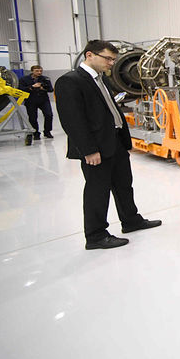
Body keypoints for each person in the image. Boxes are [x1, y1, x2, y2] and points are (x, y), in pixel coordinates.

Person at [55, 40, 161, 250]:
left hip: (114, 141)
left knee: (124, 184)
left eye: (113, 59)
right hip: (95, 147)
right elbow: (72, 120)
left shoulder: (101, 79)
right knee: (98, 191)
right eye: (108, 59)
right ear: (89, 55)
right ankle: (95, 235)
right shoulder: (70, 81)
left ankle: (131, 220)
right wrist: (88, 150)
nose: (112, 63)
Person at [19, 65, 54, 139]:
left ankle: (47, 131)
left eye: (40, 71)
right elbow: (21, 89)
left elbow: (51, 89)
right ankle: (35, 133)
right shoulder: (24, 79)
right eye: (37, 71)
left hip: (43, 100)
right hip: (31, 100)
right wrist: (32, 87)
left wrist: (42, 88)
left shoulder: (45, 79)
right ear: (32, 71)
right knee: (33, 117)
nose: (39, 72)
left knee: (49, 115)